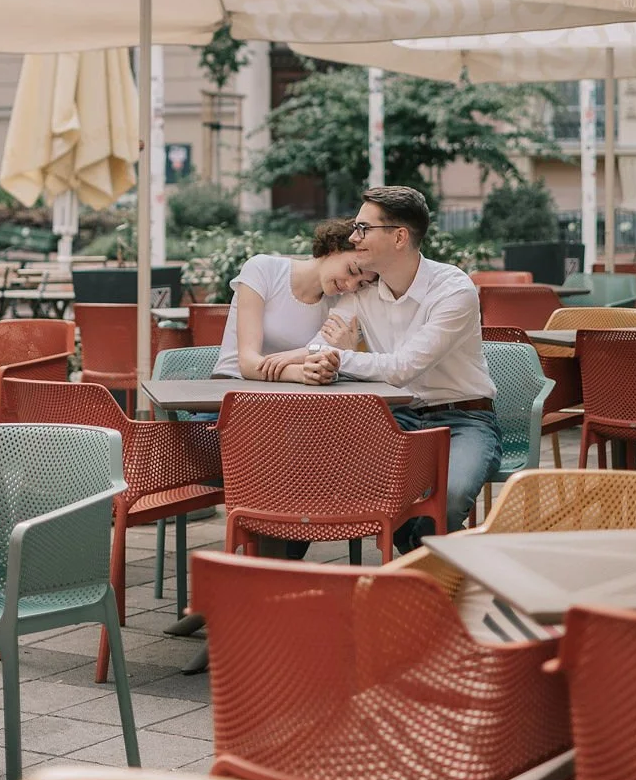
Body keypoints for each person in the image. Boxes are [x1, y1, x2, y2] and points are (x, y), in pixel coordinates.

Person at [307, 185, 501, 552]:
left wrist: (343, 358)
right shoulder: (361, 292)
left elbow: (403, 368)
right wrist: (327, 355)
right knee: (342, 478)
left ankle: (422, 566)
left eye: (364, 228)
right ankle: (423, 566)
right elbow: (319, 345)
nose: (353, 237)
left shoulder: (453, 289)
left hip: (465, 419)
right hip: (397, 418)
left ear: (399, 237)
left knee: (452, 494)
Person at [214, 219, 375, 381]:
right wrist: (302, 372)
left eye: (361, 283)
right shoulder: (263, 269)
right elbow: (247, 364)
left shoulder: (340, 304)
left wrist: (346, 353)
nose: (351, 285)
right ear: (333, 247)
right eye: (352, 270)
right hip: (232, 386)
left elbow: (327, 364)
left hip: (294, 395)